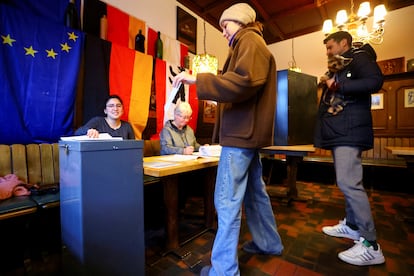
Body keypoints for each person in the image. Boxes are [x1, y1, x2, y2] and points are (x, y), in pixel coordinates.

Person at [172, 3, 283, 275]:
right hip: (246, 136)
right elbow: (242, 83)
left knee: (226, 201)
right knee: (255, 196)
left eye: (225, 25)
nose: (223, 32)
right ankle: (268, 243)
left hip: (239, 138)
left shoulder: (249, 40)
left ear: (241, 22)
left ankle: (223, 270)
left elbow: (243, 82)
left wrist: (198, 78)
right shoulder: (249, 43)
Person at [314, 31, 385, 266]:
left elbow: (375, 81)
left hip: (350, 129)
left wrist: (339, 84)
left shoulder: (360, 57)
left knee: (348, 183)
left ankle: (371, 244)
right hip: (340, 130)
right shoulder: (339, 67)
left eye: (330, 46)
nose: (328, 51)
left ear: (344, 43)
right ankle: (353, 226)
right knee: (347, 181)